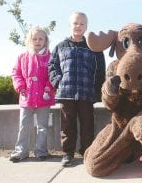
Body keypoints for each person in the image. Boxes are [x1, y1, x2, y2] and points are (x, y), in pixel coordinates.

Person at [48, 11, 105, 167]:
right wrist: (57, 82)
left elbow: (100, 70)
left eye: (82, 24)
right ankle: (68, 153)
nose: (78, 26)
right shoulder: (60, 46)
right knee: (67, 125)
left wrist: (96, 88)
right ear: (69, 25)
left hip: (87, 93)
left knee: (88, 125)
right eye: (75, 23)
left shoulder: (94, 47)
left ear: (86, 26)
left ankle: (87, 152)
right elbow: (52, 66)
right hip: (66, 94)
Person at [10, 27, 55, 162]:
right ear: (29, 40)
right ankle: (21, 151)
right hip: (27, 98)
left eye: (41, 38)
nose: (37, 41)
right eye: (34, 39)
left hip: (44, 98)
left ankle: (41, 151)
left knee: (42, 127)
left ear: (45, 40)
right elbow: (16, 73)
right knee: (24, 126)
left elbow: (53, 75)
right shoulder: (22, 57)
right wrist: (20, 86)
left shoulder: (50, 57)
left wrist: (48, 88)